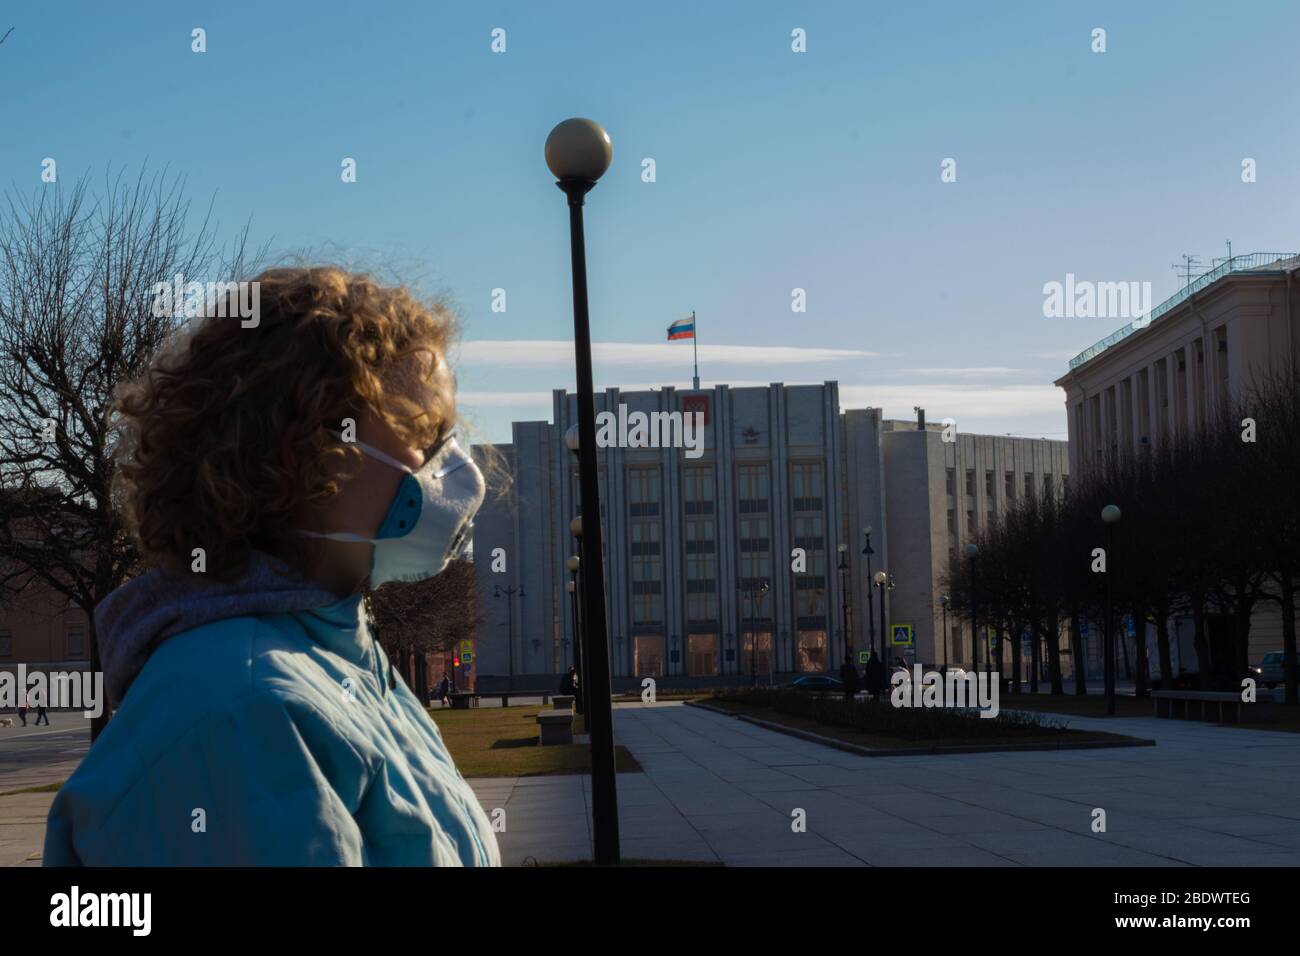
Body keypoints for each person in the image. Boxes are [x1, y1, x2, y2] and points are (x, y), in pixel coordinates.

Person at [44, 267, 499, 866]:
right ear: (307, 453)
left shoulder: (342, 656)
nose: (454, 467)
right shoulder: (248, 706)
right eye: (423, 433)